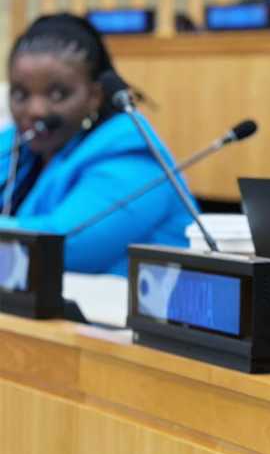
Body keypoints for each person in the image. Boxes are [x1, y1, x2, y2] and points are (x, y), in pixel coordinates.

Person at [0, 15, 194, 276]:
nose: (35, 110)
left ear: (94, 96)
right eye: (21, 94)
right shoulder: (17, 145)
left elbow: (63, 247)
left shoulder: (132, 158)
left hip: (134, 313)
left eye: (57, 94)